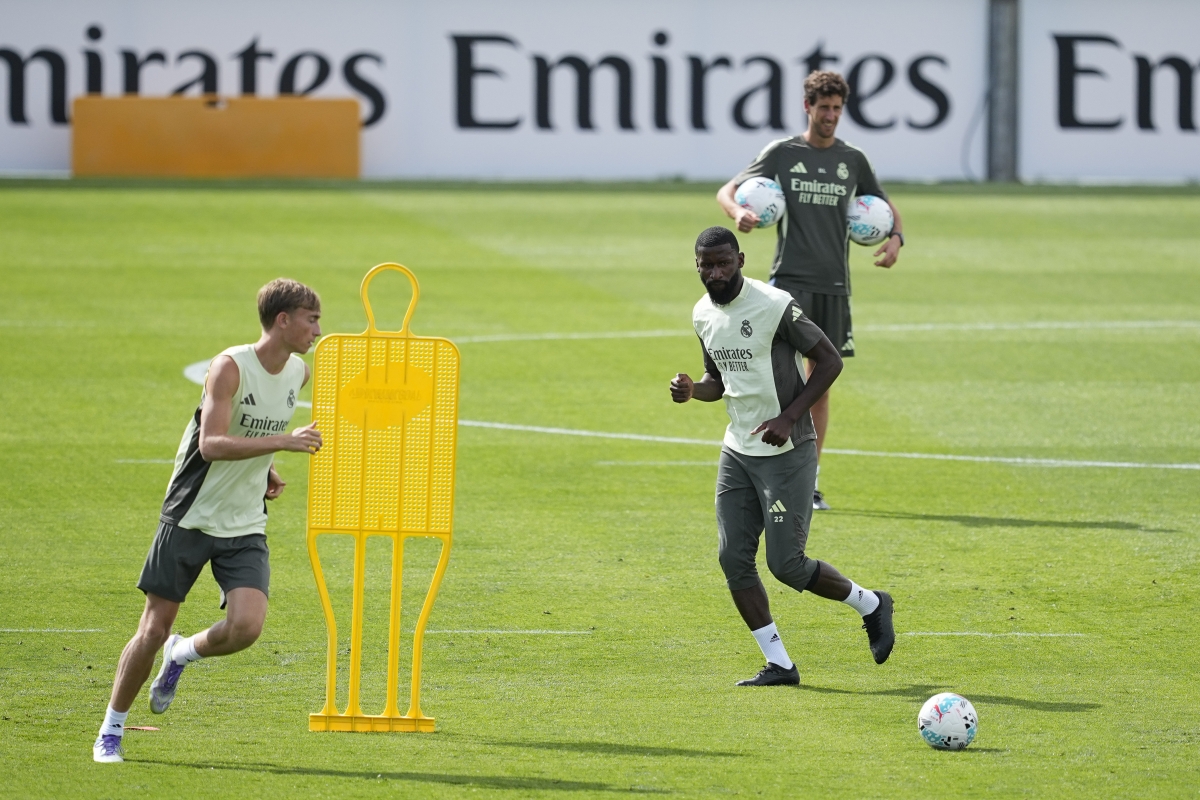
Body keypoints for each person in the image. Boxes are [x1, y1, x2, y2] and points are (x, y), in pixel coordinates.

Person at [93, 279, 324, 763]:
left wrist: (266, 470)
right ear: (283, 320)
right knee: (153, 628)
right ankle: (111, 729)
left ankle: (182, 655)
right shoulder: (228, 367)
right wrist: (281, 443)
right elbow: (211, 444)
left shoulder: (298, 372)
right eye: (311, 319)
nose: (317, 330)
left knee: (246, 628)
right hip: (191, 515)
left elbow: (248, 430)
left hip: (244, 523)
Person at [670, 227, 894, 686]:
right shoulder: (701, 314)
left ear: (740, 259)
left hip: (787, 451)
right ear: (696, 265)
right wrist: (695, 390)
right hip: (738, 450)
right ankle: (780, 664)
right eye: (705, 265)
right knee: (733, 559)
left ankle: (872, 604)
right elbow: (719, 379)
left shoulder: (774, 305)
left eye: (723, 263)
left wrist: (790, 417)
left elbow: (830, 360)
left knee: (786, 564)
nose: (715, 273)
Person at [716, 70, 905, 511]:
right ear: (808, 107)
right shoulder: (783, 154)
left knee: (820, 386)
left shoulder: (852, 159)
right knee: (783, 382)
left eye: (838, 109)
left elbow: (883, 202)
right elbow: (727, 190)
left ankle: (809, 482)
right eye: (824, 108)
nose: (831, 116)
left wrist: (896, 237)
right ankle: (767, 468)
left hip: (834, 286)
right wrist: (737, 211)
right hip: (790, 284)